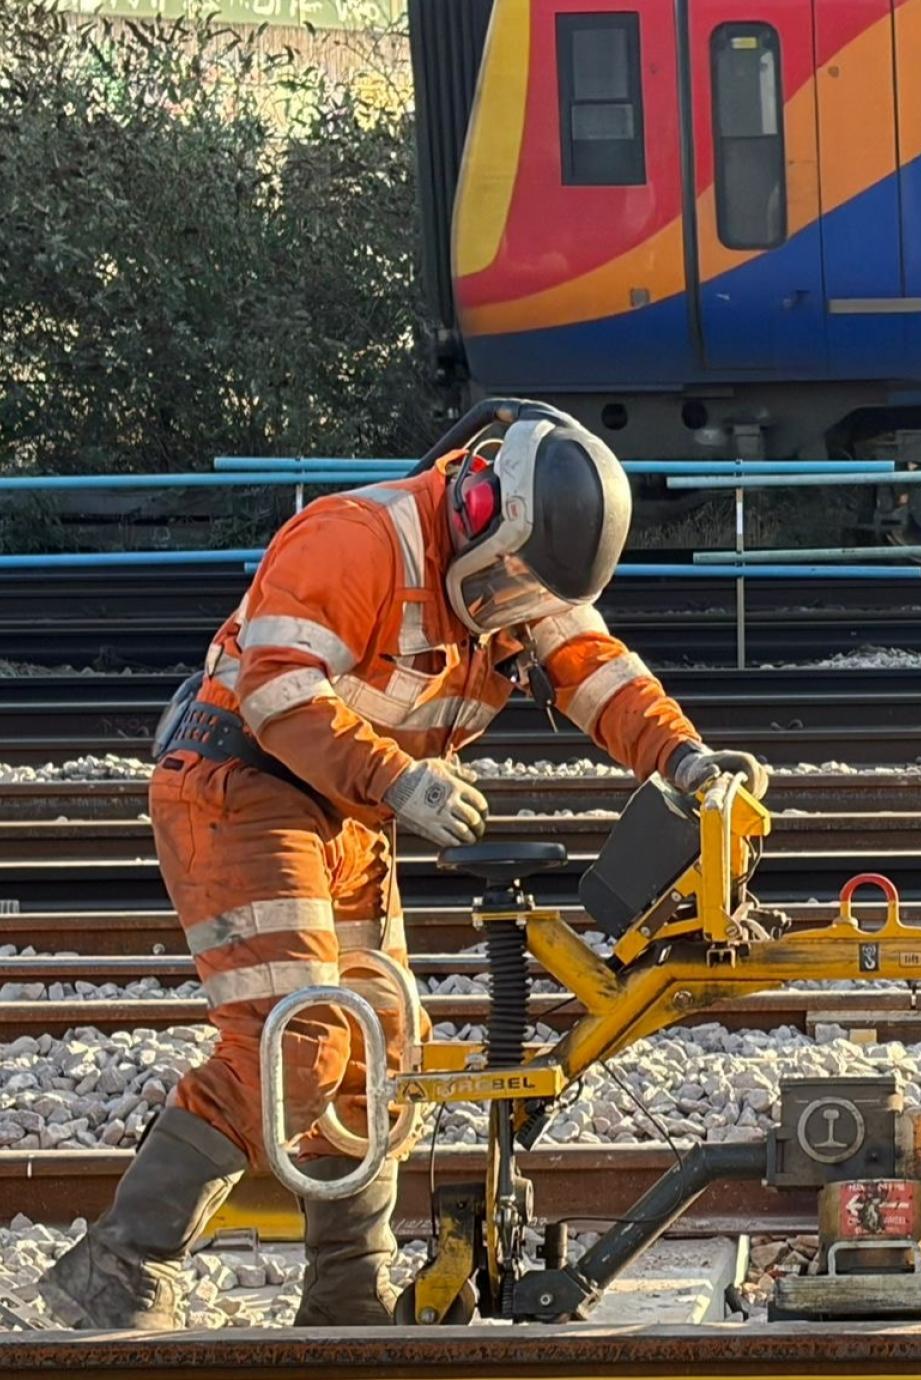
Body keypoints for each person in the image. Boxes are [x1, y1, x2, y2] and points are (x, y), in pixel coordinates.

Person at [38, 408, 766, 1329]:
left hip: (347, 811)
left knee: (379, 1041)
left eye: (528, 598)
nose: (508, 609)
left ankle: (346, 1283)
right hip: (243, 789)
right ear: (475, 506)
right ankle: (122, 1268)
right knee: (296, 1041)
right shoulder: (356, 540)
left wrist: (685, 758)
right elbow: (275, 691)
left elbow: (595, 668)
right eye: (504, 583)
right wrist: (398, 778)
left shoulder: (518, 571)